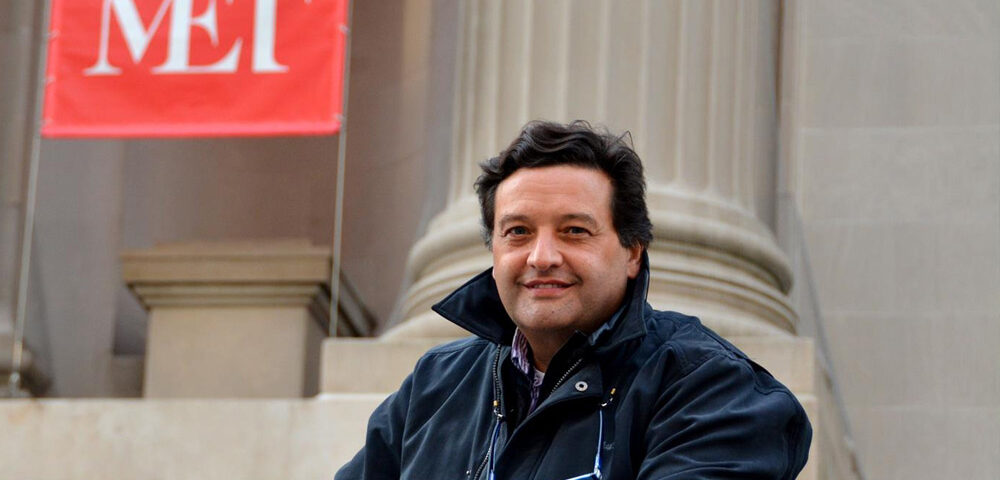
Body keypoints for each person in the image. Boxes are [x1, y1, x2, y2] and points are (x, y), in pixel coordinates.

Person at [336, 120, 812, 480]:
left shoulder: (714, 390)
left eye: (574, 231)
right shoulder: (434, 387)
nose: (542, 257)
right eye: (518, 232)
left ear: (631, 251)